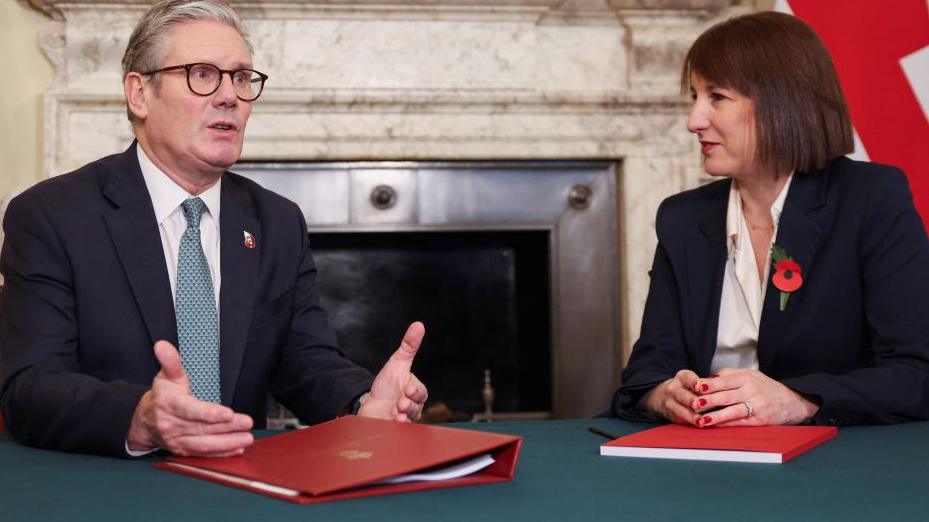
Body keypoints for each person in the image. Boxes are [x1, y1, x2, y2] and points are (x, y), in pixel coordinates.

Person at [0, 0, 427, 458]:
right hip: (111, 487)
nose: (229, 96)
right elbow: (31, 386)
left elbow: (303, 360)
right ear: (139, 94)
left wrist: (363, 404)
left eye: (241, 78)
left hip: (243, 484)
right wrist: (139, 417)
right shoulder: (51, 216)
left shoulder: (277, 221)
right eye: (202, 74)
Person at [613, 11, 929, 428]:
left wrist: (798, 402)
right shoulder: (682, 217)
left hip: (834, 464)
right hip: (705, 461)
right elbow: (646, 372)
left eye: (717, 97)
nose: (694, 121)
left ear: (782, 102)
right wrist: (663, 396)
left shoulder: (871, 198)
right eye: (694, 97)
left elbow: (915, 375)